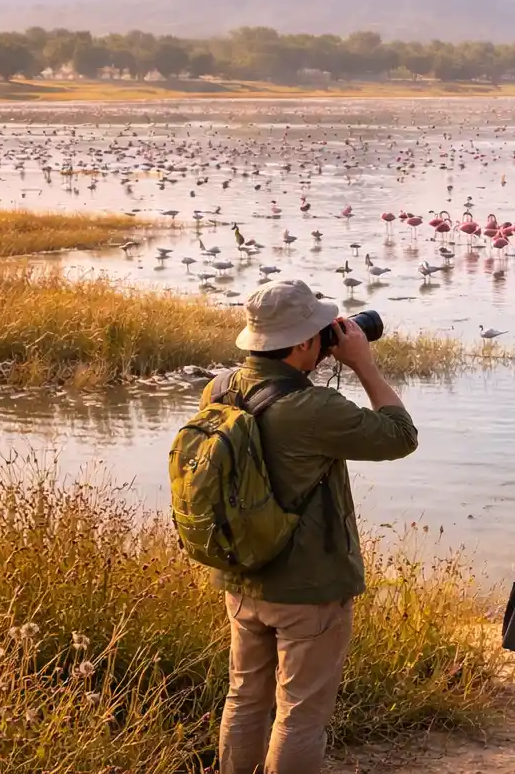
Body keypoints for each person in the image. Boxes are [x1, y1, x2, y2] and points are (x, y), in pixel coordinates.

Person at [210, 280, 419, 774]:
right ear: (304, 343)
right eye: (321, 332)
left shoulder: (220, 387)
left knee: (244, 697)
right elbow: (401, 435)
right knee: (301, 714)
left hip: (242, 573)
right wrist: (363, 363)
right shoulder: (312, 407)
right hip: (307, 586)